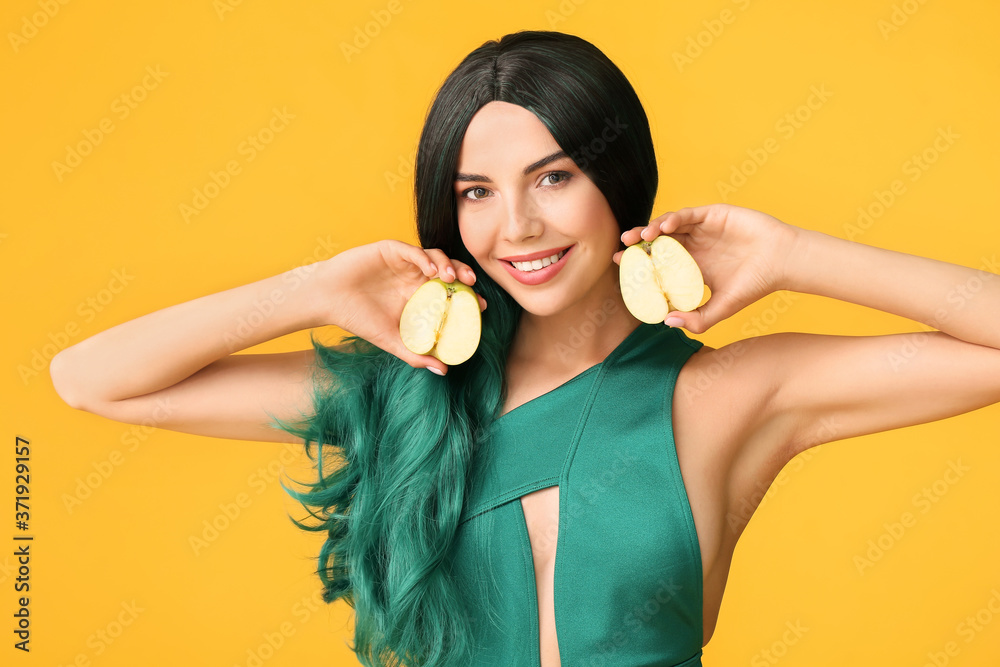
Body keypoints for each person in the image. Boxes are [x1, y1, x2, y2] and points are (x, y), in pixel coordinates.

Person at [48, 29, 1000, 667]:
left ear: (615, 179)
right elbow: (92, 380)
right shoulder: (402, 394)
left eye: (554, 176)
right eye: (475, 192)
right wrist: (313, 290)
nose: (517, 225)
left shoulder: (729, 392)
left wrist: (797, 255)